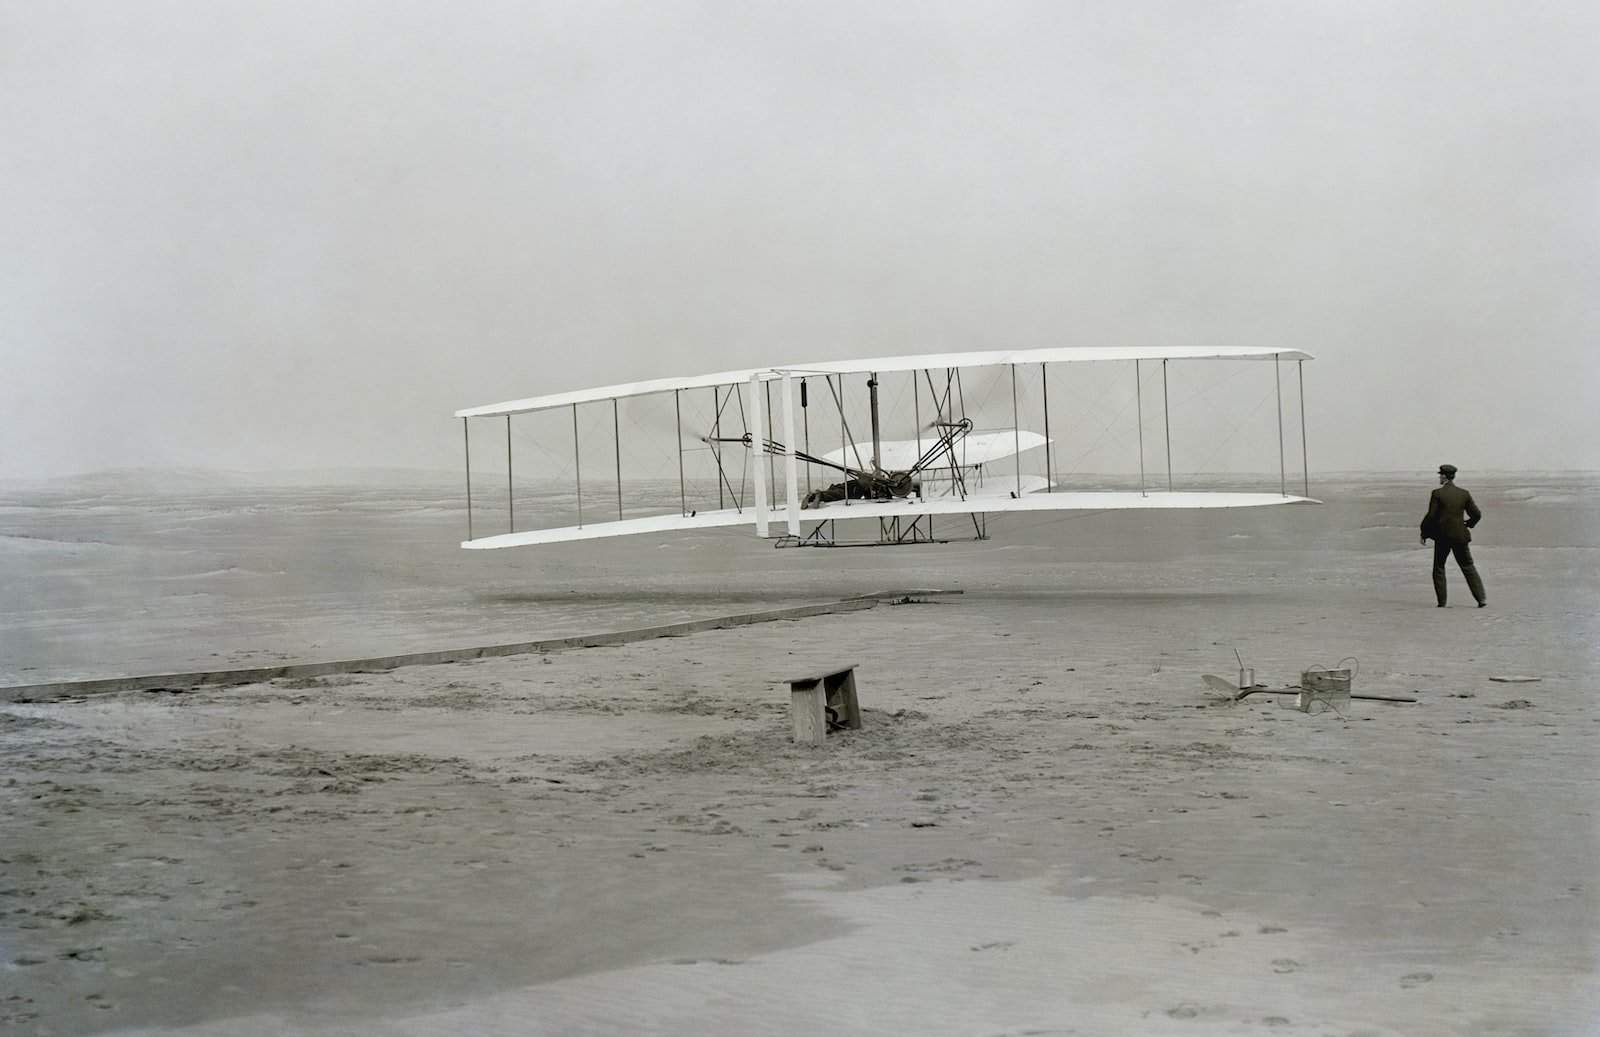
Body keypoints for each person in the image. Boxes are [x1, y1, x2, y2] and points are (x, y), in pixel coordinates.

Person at [1420, 464, 1486, 608]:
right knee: (1468, 566)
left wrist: (1424, 532)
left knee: (1439, 567)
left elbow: (1431, 516)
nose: (1439, 477)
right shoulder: (1464, 493)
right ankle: (1481, 599)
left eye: (1440, 475)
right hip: (1460, 536)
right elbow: (1477, 514)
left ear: (1444, 476)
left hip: (1443, 537)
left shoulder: (1437, 493)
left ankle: (1442, 603)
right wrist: (1468, 524)